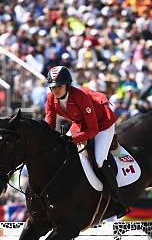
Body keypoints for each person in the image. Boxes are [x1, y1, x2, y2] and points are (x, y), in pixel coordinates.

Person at [44, 65, 128, 215]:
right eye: (52, 87)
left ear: (67, 85)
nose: (55, 90)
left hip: (102, 123)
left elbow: (93, 130)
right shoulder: (51, 98)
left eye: (59, 86)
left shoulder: (80, 97)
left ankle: (117, 202)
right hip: (80, 123)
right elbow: (49, 125)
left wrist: (72, 139)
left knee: (99, 159)